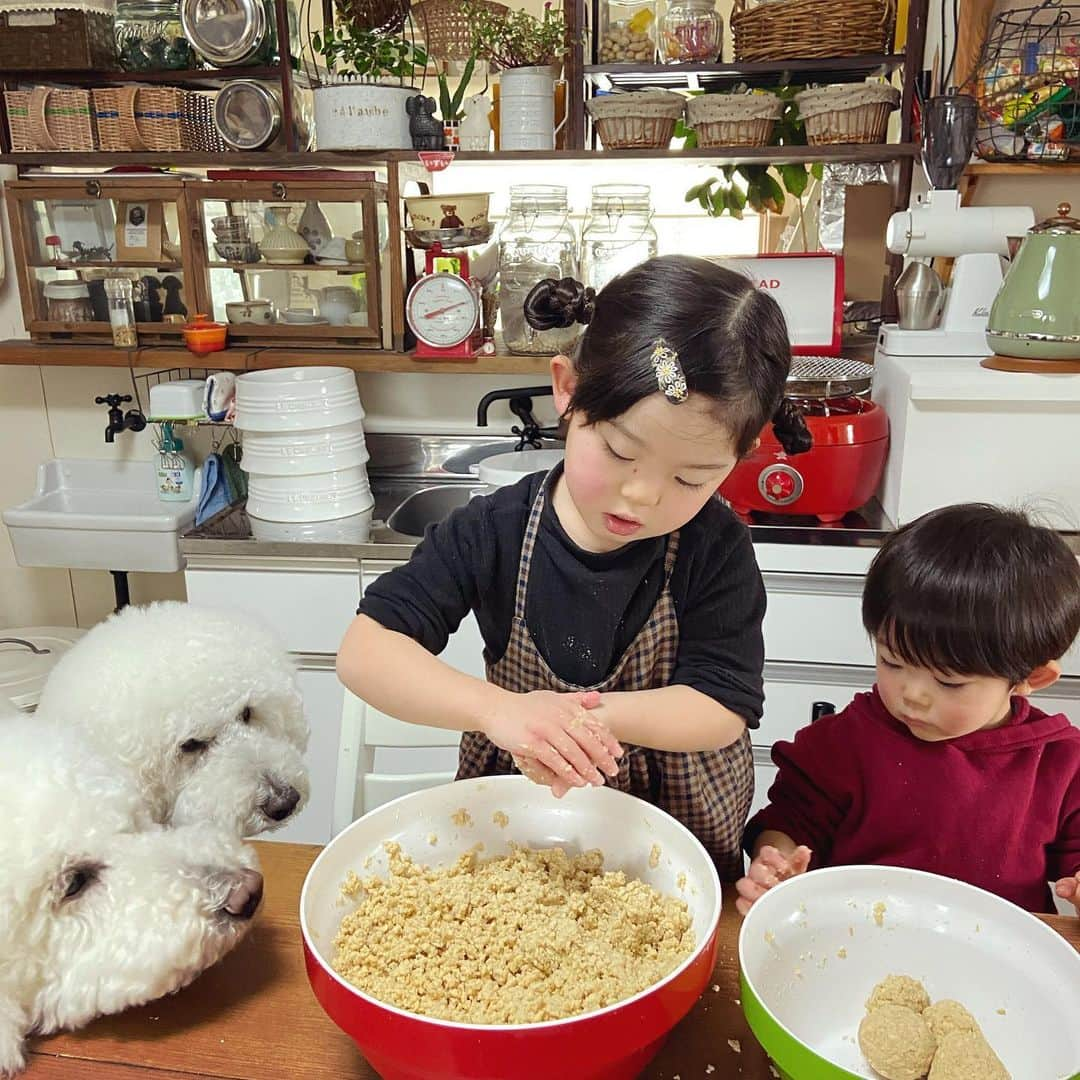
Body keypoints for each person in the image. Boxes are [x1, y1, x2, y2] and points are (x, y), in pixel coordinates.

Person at [337, 255, 811, 878]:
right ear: (567, 388)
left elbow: (721, 704)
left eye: (691, 477)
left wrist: (582, 725)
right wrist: (500, 712)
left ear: (741, 455)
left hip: (673, 848)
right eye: (619, 451)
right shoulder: (493, 531)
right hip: (520, 834)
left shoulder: (713, 545)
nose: (642, 496)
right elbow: (365, 652)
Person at [736, 503, 1080, 914]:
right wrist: (775, 864)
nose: (912, 695)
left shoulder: (1060, 763)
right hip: (849, 936)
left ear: (1031, 678)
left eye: (949, 682)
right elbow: (791, 824)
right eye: (892, 662)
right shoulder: (842, 744)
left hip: (993, 956)